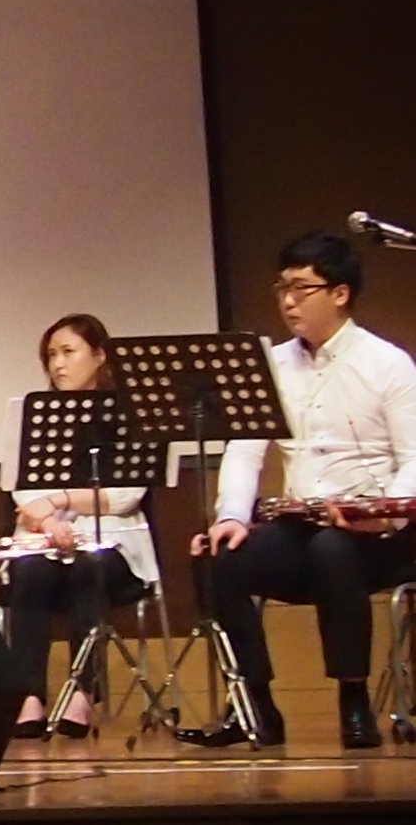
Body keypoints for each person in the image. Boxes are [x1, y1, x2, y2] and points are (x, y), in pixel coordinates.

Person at [192, 229, 416, 749]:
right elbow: (244, 451)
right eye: (282, 288)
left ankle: (353, 698)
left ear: (340, 294)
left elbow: (413, 459)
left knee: (333, 549)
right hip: (301, 526)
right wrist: (231, 517)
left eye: (302, 288)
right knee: (220, 558)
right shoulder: (272, 364)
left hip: (377, 534)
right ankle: (255, 706)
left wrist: (381, 514)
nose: (288, 301)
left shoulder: (387, 364)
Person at [0, 314, 156, 737]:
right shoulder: (34, 416)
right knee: (29, 571)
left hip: (114, 540)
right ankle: (28, 696)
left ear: (99, 355)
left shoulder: (130, 415)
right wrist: (48, 519)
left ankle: (84, 691)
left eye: (68, 352)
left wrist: (61, 499)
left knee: (89, 568)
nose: (58, 364)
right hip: (45, 538)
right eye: (51, 355)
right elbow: (21, 488)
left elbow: (124, 495)